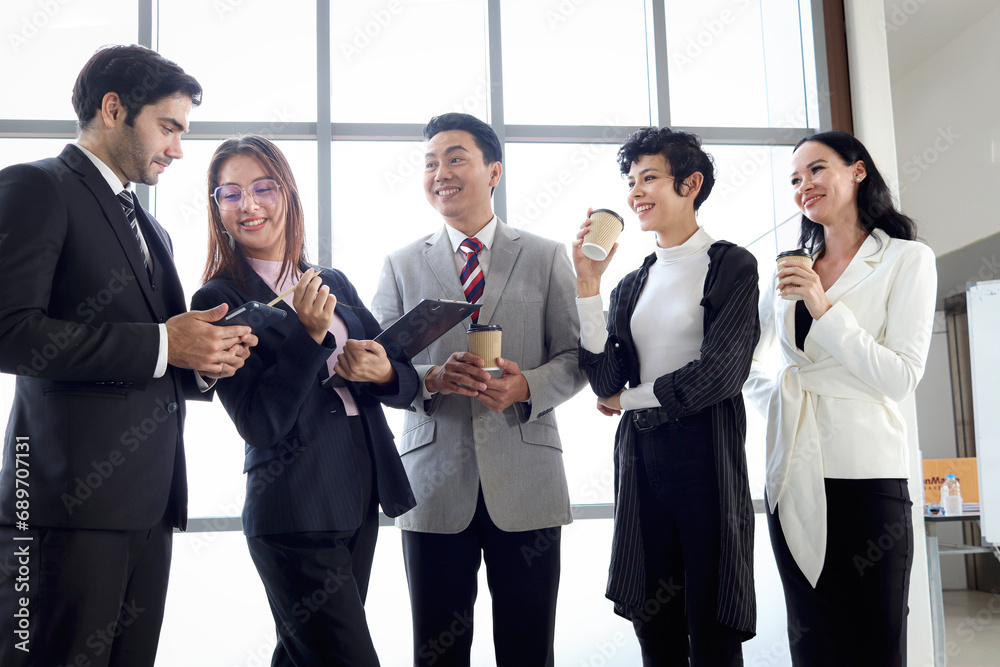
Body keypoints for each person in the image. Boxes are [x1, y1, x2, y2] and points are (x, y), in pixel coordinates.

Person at [0, 45, 256, 667]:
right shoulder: (36, 186)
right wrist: (166, 342)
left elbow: (164, 348)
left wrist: (205, 358)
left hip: (148, 503)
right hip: (63, 506)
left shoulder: (150, 225)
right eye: (168, 127)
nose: (177, 149)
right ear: (114, 110)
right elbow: (11, 332)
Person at [192, 135, 417, 666]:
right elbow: (259, 422)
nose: (248, 205)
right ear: (217, 208)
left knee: (303, 658)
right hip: (294, 509)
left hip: (359, 493)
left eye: (262, 188)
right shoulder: (218, 299)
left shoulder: (331, 280)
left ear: (288, 194)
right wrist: (310, 336)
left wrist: (382, 370)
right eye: (230, 193)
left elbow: (401, 376)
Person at [371, 112, 586, 667]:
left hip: (526, 479)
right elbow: (376, 367)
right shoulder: (399, 265)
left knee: (528, 647)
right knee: (437, 650)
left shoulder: (544, 256)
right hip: (433, 485)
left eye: (455, 158)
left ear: (493, 171)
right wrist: (430, 380)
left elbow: (576, 359)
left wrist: (526, 388)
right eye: (429, 163)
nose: (440, 172)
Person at [744, 131, 937, 666]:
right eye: (795, 179)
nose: (804, 185)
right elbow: (747, 366)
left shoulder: (906, 259)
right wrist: (787, 400)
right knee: (812, 643)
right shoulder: (792, 266)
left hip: (867, 478)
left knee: (873, 646)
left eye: (816, 170)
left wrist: (822, 307)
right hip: (790, 476)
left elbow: (899, 378)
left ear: (857, 171)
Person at [575, 127, 759, 665]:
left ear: (691, 184)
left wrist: (629, 401)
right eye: (631, 181)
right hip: (641, 464)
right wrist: (589, 286)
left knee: (713, 629)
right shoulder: (632, 282)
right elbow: (606, 378)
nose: (636, 192)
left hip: (707, 460)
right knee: (654, 627)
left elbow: (720, 374)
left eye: (649, 178)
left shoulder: (732, 265)